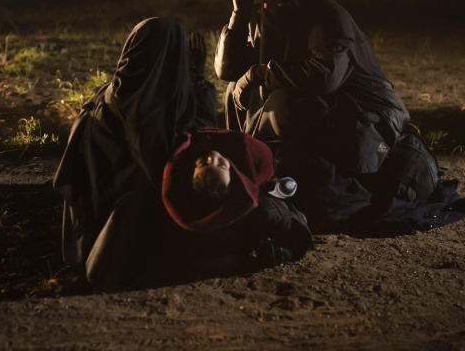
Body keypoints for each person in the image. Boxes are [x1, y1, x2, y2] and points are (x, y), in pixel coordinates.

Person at [215, 0, 465, 233]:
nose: (272, 9)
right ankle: (258, 161)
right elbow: (227, 70)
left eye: (277, 2)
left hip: (363, 108)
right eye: (266, 4)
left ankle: (285, 165)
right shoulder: (264, 20)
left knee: (285, 104)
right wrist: (238, 17)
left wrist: (259, 75)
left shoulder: (328, 19)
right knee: (236, 90)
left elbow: (323, 77)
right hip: (320, 101)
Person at [53, 17, 311, 291]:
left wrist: (196, 79)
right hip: (130, 215)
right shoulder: (144, 110)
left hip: (100, 215)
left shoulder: (121, 93)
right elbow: (181, 149)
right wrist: (197, 81)